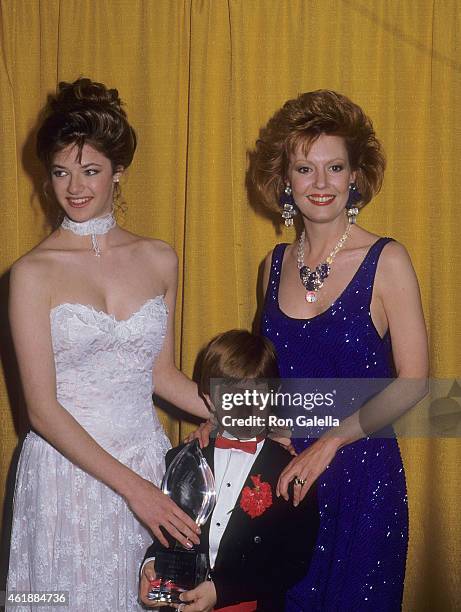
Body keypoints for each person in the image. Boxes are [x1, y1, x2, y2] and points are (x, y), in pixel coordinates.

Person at [6, 78, 209, 611]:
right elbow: (42, 412)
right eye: (60, 171)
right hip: (66, 476)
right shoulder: (31, 273)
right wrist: (137, 491)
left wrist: (248, 416)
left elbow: (161, 376)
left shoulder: (160, 258)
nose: (74, 187)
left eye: (90, 170)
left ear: (118, 172)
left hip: (148, 460)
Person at [250, 90, 429, 610]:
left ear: (355, 175)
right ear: (285, 179)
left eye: (335, 167)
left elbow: (415, 382)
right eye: (305, 168)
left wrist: (327, 444)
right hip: (286, 478)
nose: (321, 183)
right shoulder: (271, 264)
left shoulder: (387, 259)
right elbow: (268, 380)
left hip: (361, 478)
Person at [139, 330, 320, 612]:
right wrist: (152, 565)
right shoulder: (182, 460)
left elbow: (294, 562)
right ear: (209, 402)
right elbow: (167, 531)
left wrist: (222, 591)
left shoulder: (290, 472)